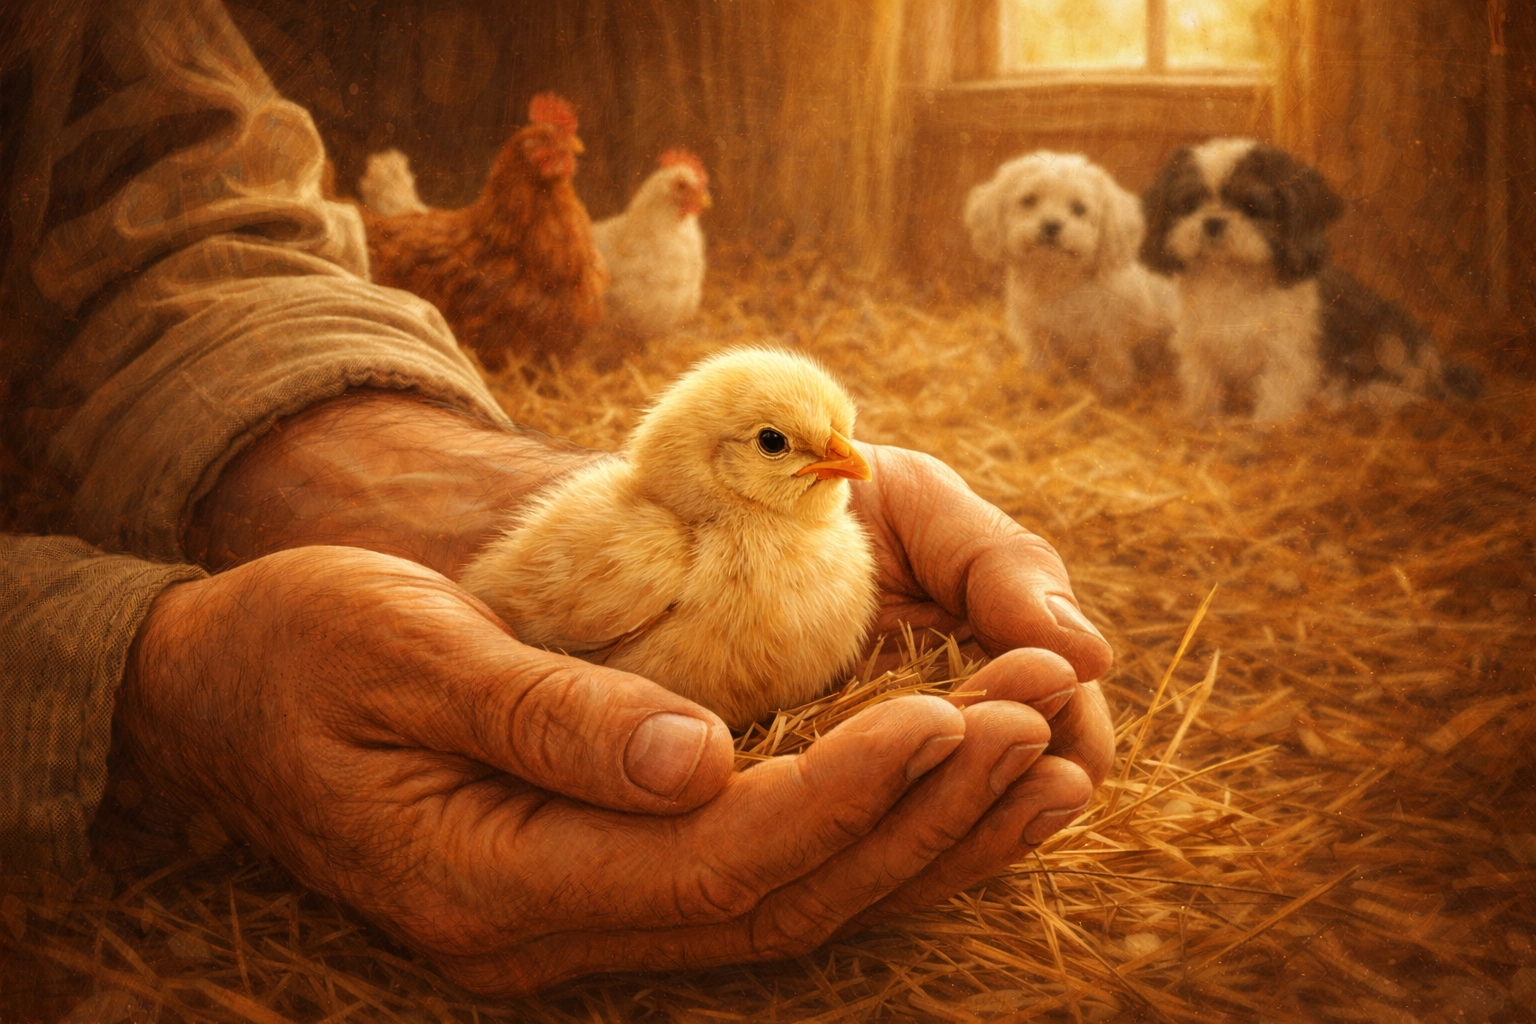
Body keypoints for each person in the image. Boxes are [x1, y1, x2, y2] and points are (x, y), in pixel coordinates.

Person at [0, 0, 1115, 995]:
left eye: (845, 443)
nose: (850, 466)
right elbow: (533, 610)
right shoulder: (654, 555)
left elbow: (161, 209)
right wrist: (142, 670)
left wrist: (404, 466)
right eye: (789, 445)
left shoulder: (805, 540)